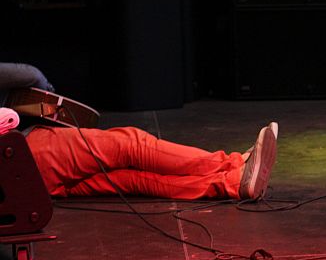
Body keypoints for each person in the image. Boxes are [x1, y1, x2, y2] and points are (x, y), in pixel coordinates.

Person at [0, 62, 278, 199]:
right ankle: (232, 163)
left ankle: (233, 183)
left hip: (22, 187)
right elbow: (29, 75)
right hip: (20, 155)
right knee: (130, 145)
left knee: (131, 179)